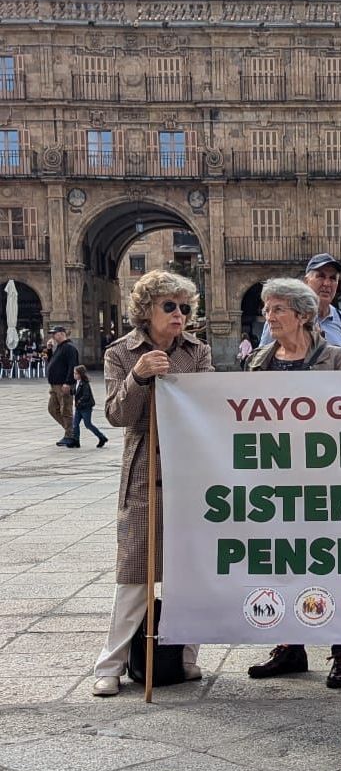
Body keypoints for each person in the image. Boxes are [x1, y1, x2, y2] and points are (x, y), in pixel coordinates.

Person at [92, 271, 213, 697]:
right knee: (135, 573)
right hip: (145, 473)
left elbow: (208, 407)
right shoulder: (121, 353)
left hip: (189, 473)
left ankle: (184, 659)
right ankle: (110, 664)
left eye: (184, 307)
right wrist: (139, 376)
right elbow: (116, 416)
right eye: (170, 306)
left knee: (189, 572)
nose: (179, 314)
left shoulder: (197, 352)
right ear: (147, 311)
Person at [244, 278, 341, 687]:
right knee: (282, 563)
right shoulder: (257, 362)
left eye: (277, 310)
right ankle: (289, 647)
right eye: (267, 309)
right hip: (276, 482)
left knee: (335, 564)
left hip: (326, 482)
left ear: (303, 315)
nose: (269, 317)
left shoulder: (335, 359)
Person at [259, 253, 341, 353]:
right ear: (306, 281)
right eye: (320, 276)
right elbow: (263, 358)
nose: (327, 283)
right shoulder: (284, 318)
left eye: (333, 278)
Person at [47, 326, 81, 447]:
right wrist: (49, 350)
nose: (52, 336)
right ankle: (71, 431)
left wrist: (68, 382)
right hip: (54, 385)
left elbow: (73, 366)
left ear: (62, 334)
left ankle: (69, 435)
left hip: (63, 384)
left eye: (54, 334)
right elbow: (51, 363)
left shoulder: (69, 348)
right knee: (52, 409)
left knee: (66, 410)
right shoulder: (59, 348)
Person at [69, 365, 107, 448]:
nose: (74, 375)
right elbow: (74, 392)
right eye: (74, 373)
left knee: (88, 424)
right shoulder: (76, 383)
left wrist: (79, 401)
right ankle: (76, 441)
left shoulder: (85, 383)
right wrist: (69, 391)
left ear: (80, 374)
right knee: (75, 424)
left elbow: (86, 395)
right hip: (79, 407)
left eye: (76, 373)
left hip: (85, 407)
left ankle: (102, 437)